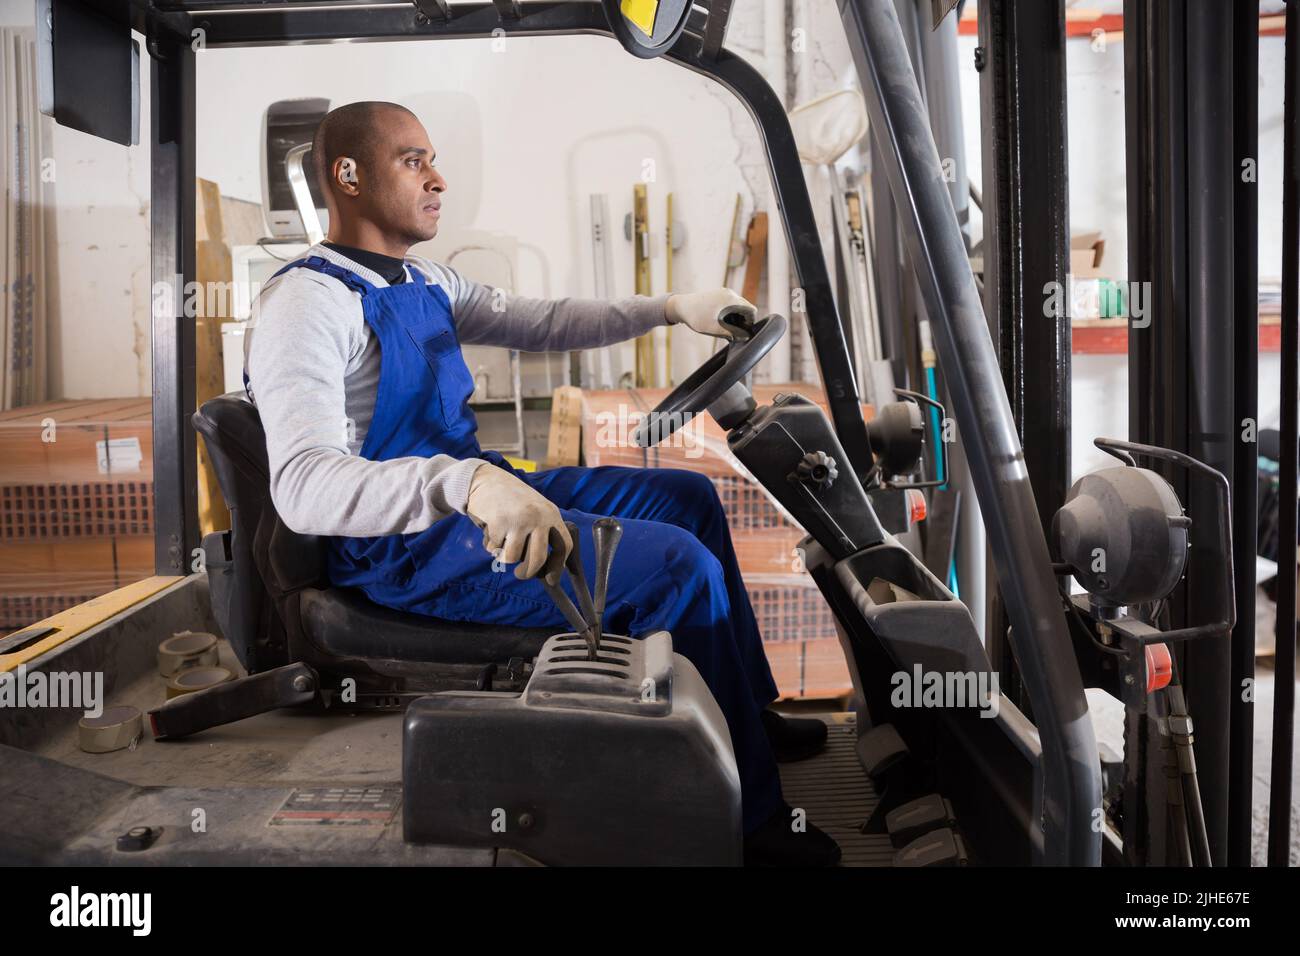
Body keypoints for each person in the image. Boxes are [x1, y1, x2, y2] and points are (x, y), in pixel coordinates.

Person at [245, 101, 841, 866]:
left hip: (474, 496)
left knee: (687, 498)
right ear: (349, 176)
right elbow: (303, 485)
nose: (439, 178)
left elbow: (546, 321)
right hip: (403, 547)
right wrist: (464, 484)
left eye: (433, 160)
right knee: (674, 569)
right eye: (414, 161)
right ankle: (745, 819)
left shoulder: (424, 279)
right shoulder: (306, 302)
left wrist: (670, 307)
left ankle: (744, 716)